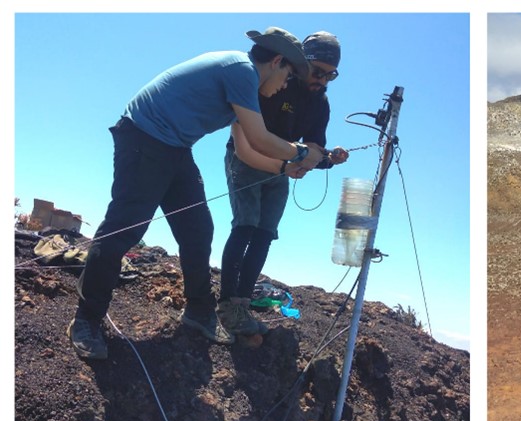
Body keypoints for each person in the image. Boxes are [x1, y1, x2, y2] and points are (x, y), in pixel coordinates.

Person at [68, 27, 326, 360]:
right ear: (277, 61)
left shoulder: (244, 85)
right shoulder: (241, 70)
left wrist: (284, 167)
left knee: (198, 229)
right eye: (289, 75)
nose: (287, 85)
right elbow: (260, 140)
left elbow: (249, 151)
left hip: (175, 147)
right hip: (144, 136)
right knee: (125, 227)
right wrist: (301, 153)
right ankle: (86, 320)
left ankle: (199, 311)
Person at [217, 31, 348, 336]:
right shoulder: (278, 80)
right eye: (318, 72)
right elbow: (247, 136)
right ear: (303, 62)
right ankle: (226, 305)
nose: (323, 81)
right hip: (247, 157)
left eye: (332, 76)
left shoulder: (321, 103)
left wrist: (327, 158)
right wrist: (296, 158)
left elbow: (313, 150)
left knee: (264, 234)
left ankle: (242, 305)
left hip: (282, 169)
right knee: (245, 226)